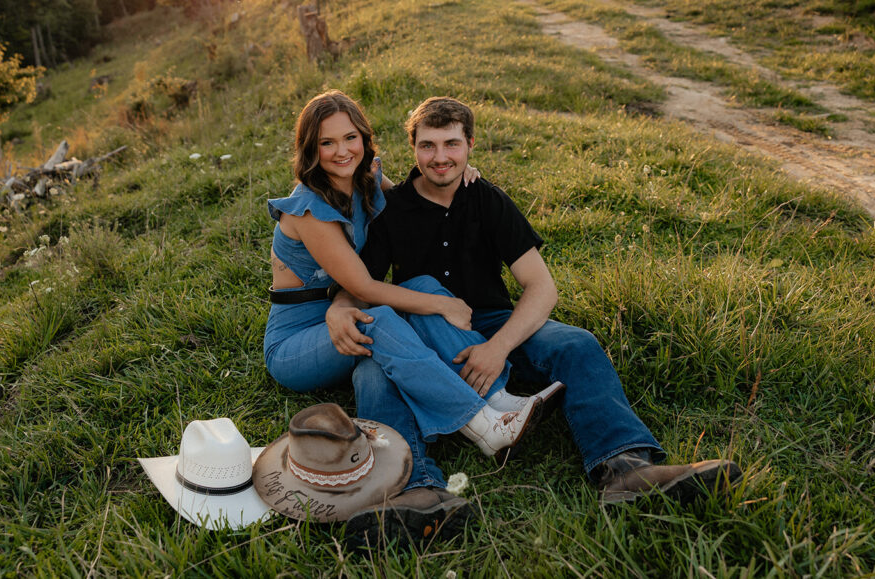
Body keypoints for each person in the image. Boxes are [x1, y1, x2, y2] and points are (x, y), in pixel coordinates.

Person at [329, 96, 743, 545]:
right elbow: (357, 286)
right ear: (413, 149)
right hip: (425, 333)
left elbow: (541, 288)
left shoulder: (487, 199)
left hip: (494, 323)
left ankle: (625, 469)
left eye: (452, 144)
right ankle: (417, 493)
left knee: (576, 343)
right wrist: (336, 309)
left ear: (470, 145)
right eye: (428, 146)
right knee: (373, 372)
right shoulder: (393, 210)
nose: (441, 157)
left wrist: (498, 347)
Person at [264, 91, 561, 539]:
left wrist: (466, 175)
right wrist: (443, 303)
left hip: (350, 312)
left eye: (351, 137)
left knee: (409, 300)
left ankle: (496, 402)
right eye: (327, 143)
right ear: (311, 150)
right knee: (387, 315)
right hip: (301, 339)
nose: (342, 150)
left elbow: (411, 196)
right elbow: (363, 288)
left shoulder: (367, 179)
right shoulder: (308, 207)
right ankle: (481, 422)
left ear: (365, 138)